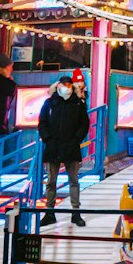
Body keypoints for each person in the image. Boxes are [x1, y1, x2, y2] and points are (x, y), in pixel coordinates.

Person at [38, 75, 90, 227]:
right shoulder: (49, 103)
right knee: (51, 182)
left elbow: (84, 124)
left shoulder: (78, 104)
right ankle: (49, 212)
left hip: (71, 147)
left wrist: (76, 139)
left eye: (68, 84)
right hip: (53, 147)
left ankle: (75, 212)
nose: (66, 87)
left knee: (74, 181)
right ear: (58, 85)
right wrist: (47, 139)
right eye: (64, 84)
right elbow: (42, 123)